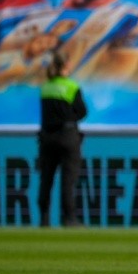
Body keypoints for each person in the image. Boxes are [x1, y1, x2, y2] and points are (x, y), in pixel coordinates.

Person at [38, 51, 87, 227]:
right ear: (67, 65)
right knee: (68, 180)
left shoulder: (46, 87)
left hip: (47, 137)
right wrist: (68, 118)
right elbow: (82, 112)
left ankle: (44, 218)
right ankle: (69, 218)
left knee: (46, 179)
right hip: (67, 137)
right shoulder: (71, 86)